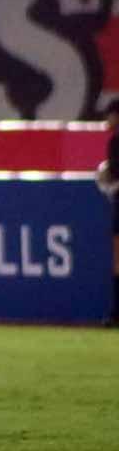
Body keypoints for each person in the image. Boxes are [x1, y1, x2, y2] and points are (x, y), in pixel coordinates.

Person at [100, 99, 119, 325]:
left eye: (110, 114)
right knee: (117, 260)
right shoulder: (113, 142)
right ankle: (116, 313)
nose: (107, 119)